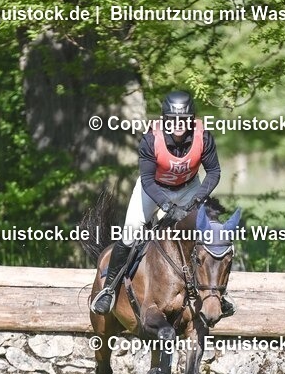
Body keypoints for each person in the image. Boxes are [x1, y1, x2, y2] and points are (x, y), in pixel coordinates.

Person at [90, 90, 235, 316]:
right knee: (130, 234)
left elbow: (214, 172)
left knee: (213, 231)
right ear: (165, 120)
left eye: (184, 120)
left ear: (191, 119)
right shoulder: (151, 139)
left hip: (189, 188)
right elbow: (147, 180)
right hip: (154, 190)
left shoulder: (203, 137)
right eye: (173, 120)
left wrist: (197, 199)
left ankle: (219, 296)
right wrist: (167, 207)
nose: (178, 125)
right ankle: (108, 289)